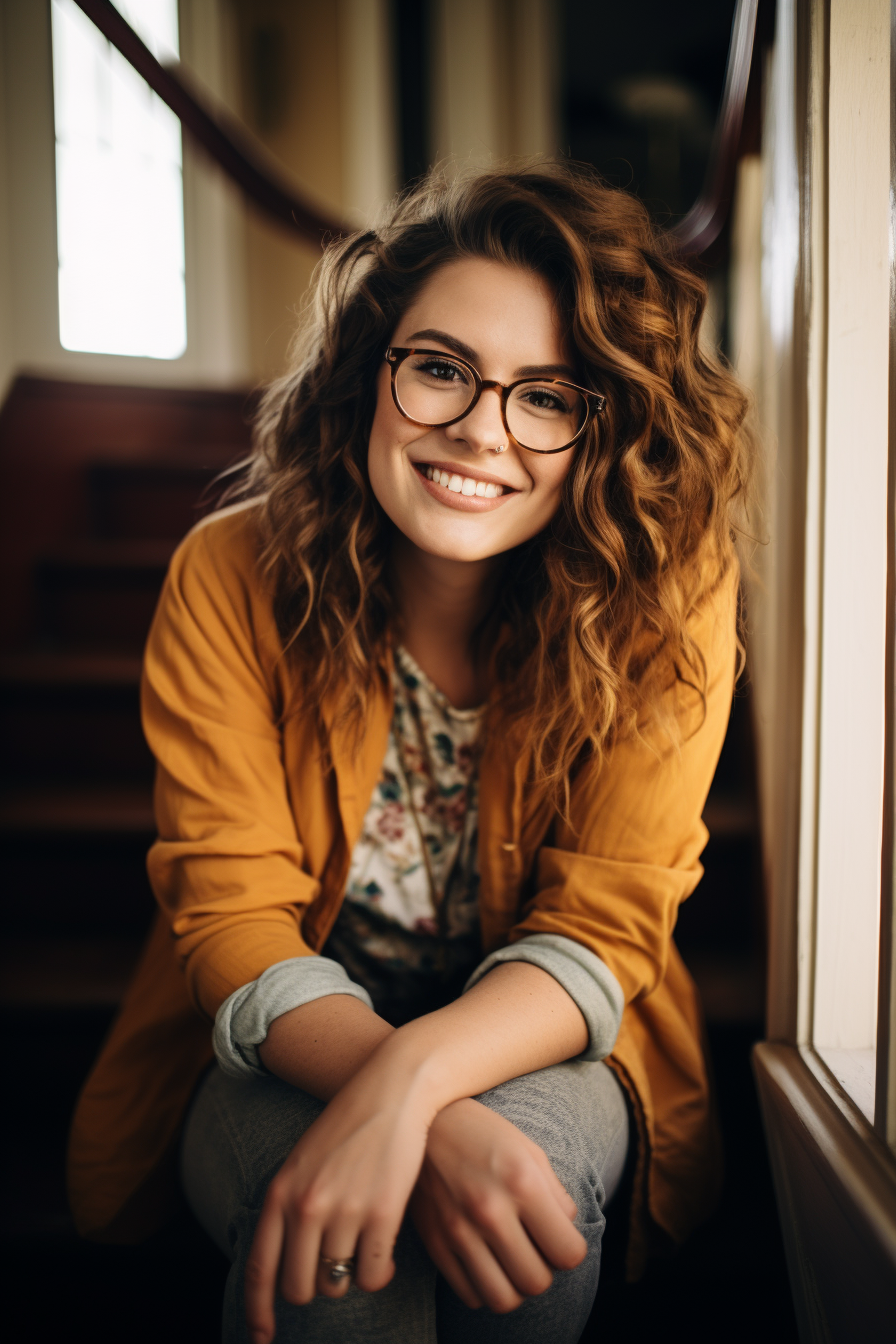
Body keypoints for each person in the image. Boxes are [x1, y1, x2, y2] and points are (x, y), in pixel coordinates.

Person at [68, 163, 749, 1344]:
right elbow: (230, 918)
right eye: (439, 369)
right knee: (352, 1263)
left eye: (548, 395)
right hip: (279, 1034)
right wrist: (411, 1096)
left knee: (518, 1240)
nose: (481, 432)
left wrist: (409, 1085)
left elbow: (603, 927)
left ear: (606, 424)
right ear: (365, 374)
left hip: (546, 1027)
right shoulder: (228, 575)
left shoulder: (662, 586)